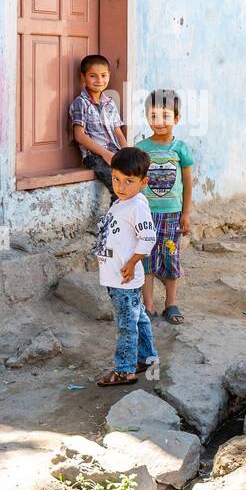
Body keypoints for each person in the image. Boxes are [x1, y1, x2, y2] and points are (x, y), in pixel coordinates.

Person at [93, 147, 158, 386]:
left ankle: (124, 369)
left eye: (129, 181)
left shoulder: (136, 206)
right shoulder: (124, 202)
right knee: (138, 318)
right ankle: (146, 358)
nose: (121, 186)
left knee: (126, 324)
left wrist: (131, 263)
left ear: (143, 182)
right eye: (116, 179)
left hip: (123, 278)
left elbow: (148, 238)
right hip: (118, 277)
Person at [135, 90, 194, 324]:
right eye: (153, 116)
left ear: (176, 119)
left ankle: (171, 303)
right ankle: (148, 305)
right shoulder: (141, 148)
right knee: (146, 258)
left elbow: (187, 182)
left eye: (166, 116)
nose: (159, 122)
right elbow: (136, 182)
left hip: (171, 215)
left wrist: (186, 213)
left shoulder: (181, 148)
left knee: (171, 256)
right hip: (146, 215)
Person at [68, 54, 127, 198]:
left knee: (133, 182)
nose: (99, 80)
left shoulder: (110, 103)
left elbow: (118, 132)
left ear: (109, 75)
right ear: (83, 77)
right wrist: (105, 154)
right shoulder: (81, 103)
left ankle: (128, 217)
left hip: (115, 153)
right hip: (95, 156)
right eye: (93, 76)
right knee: (119, 189)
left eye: (103, 75)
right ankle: (114, 220)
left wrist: (127, 153)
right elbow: (79, 136)